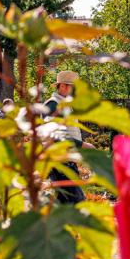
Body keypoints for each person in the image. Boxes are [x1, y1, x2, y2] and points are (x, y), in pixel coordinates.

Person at [43, 71, 92, 203]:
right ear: (62, 86)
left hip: (67, 161)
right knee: (77, 202)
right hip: (60, 163)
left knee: (65, 204)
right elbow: (54, 135)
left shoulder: (65, 106)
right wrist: (83, 145)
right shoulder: (53, 104)